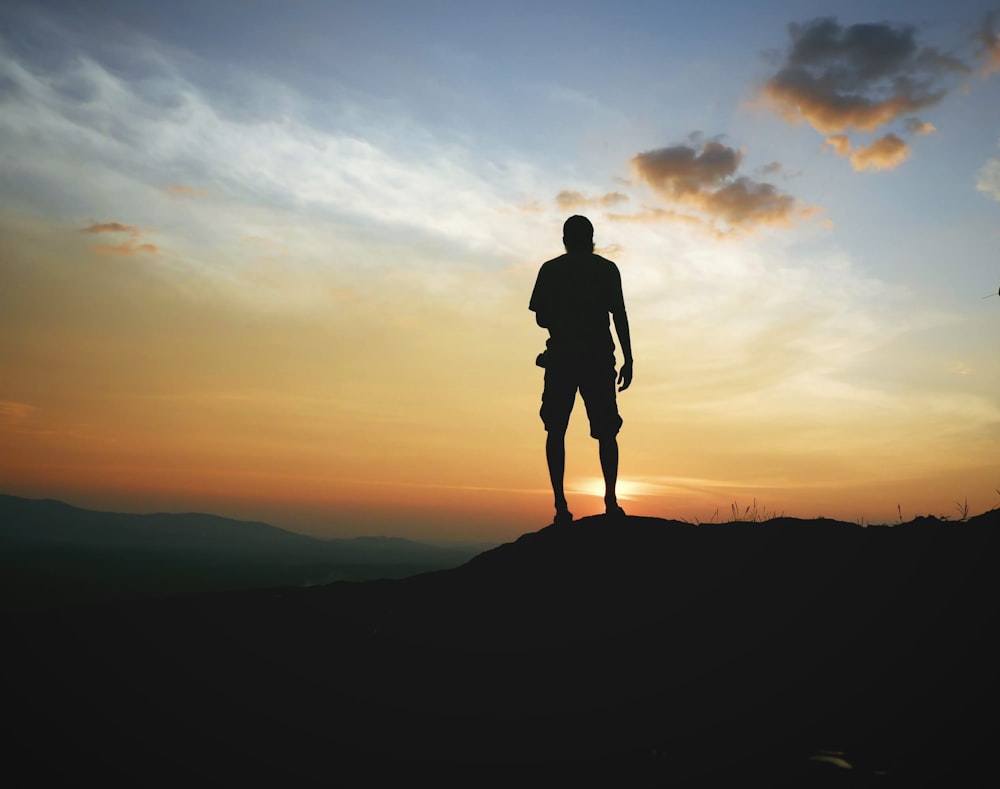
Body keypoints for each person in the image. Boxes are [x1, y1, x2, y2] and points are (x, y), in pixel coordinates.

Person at [529, 215, 633, 524]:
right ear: (591, 239)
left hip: (561, 357)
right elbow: (620, 316)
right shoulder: (606, 269)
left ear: (564, 240)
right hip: (598, 359)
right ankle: (611, 502)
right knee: (606, 432)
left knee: (555, 429)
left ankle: (561, 506)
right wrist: (629, 358)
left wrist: (563, 318)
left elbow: (540, 318)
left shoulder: (550, 270)